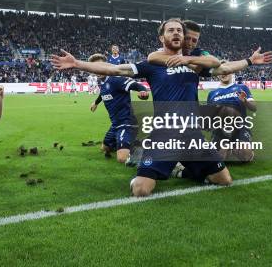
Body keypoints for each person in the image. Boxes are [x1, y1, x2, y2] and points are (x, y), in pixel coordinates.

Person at [52, 18, 231, 197]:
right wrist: (78, 64)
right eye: (170, 30)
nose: (176, 32)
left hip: (192, 135)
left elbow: (220, 66)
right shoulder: (151, 65)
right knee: (140, 189)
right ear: (162, 38)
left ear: (183, 36)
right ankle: (154, 163)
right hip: (165, 134)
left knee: (224, 180)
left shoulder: (195, 64)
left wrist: (250, 61)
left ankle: (180, 169)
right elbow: (116, 70)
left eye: (179, 30)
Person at [88, 54, 149, 164]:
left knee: (122, 159)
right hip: (115, 124)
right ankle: (128, 143)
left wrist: (142, 90)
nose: (97, 69)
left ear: (107, 66)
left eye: (100, 66)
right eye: (94, 67)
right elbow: (103, 93)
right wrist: (96, 103)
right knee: (104, 148)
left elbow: (135, 85)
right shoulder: (103, 82)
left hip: (126, 122)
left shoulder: (116, 79)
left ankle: (146, 151)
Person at [205, 69, 257, 163]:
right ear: (217, 75)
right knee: (217, 160)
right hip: (220, 129)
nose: (224, 73)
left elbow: (254, 108)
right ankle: (228, 148)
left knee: (245, 156)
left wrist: (245, 101)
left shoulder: (242, 88)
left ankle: (243, 149)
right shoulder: (212, 93)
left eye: (226, 70)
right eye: (220, 71)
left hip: (240, 127)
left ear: (232, 72)